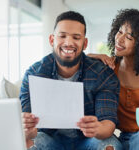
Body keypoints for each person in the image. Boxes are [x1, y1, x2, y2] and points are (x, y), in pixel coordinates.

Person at [20, 11, 120, 150]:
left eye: (76, 37)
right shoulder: (34, 74)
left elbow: (107, 123)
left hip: (88, 139)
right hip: (50, 138)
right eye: (62, 36)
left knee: (110, 145)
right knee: (26, 144)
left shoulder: (102, 74)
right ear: (51, 40)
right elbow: (30, 131)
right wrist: (26, 128)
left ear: (84, 43)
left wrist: (97, 128)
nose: (68, 43)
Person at [88, 9, 139, 150]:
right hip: (119, 136)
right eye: (120, 31)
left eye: (129, 37)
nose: (120, 39)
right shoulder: (109, 68)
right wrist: (91, 56)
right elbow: (75, 64)